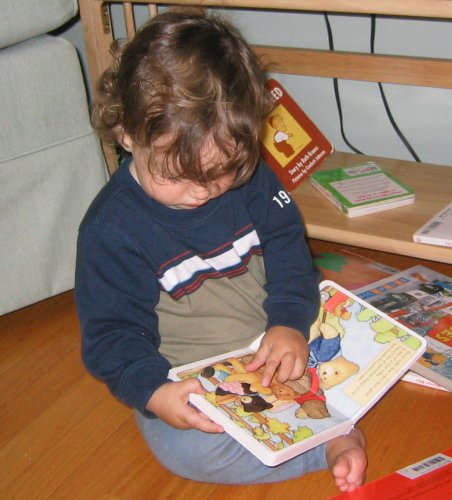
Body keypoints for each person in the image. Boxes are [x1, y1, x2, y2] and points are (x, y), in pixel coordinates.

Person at [75, 11, 367, 492]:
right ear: (127, 134)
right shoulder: (112, 231)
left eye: (222, 171)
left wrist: (290, 322)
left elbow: (290, 249)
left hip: (281, 337)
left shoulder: (248, 174)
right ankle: (329, 440)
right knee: (187, 449)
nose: (203, 191)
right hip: (195, 378)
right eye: (177, 175)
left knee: (358, 340)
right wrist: (155, 393)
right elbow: (112, 336)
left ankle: (325, 417)